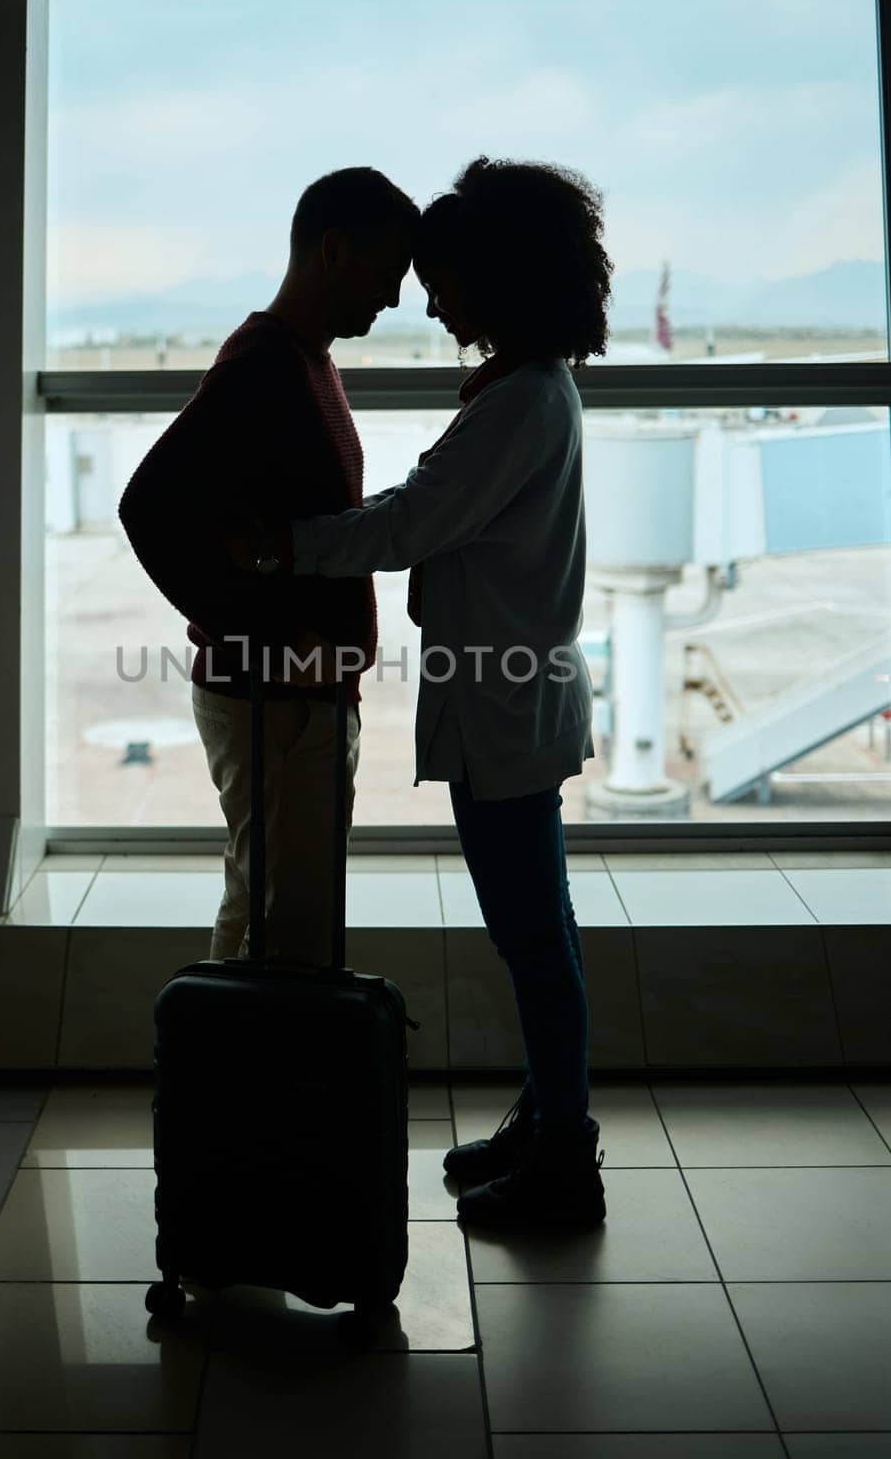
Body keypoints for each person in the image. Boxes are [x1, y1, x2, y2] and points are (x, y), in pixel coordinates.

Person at [244, 156, 609, 1230]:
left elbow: (410, 523)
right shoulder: (529, 388)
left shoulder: (520, 402)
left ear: (491, 276)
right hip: (503, 694)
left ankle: (563, 1155)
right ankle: (546, 1116)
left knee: (531, 937)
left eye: (443, 276)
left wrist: (279, 550)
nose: (428, 295)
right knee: (537, 927)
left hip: (500, 701)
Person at [118, 167, 417, 966]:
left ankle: (211, 1079)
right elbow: (147, 506)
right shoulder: (264, 363)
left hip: (291, 698)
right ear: (332, 251)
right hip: (272, 700)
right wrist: (264, 640)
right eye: (387, 273)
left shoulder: (307, 361)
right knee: (290, 924)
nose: (393, 299)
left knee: (263, 901)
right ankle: (261, 1084)